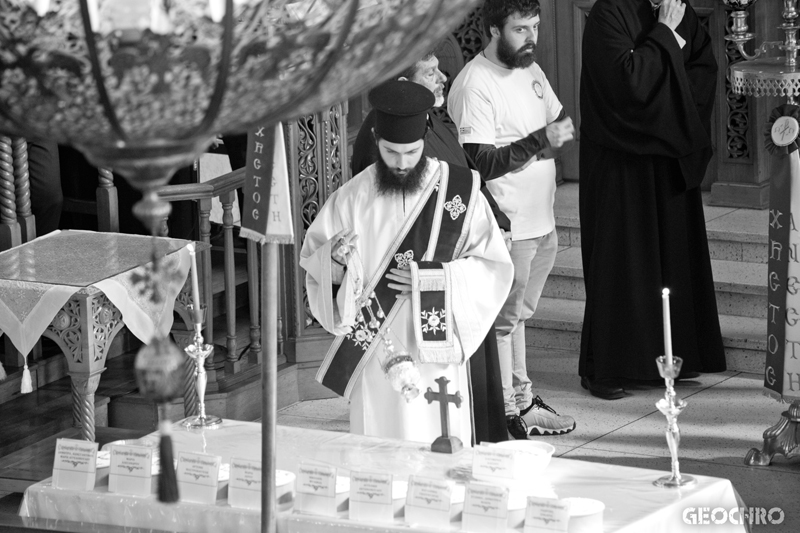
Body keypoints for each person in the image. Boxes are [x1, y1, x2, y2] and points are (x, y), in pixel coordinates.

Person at [300, 80, 513, 445]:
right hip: (378, 352)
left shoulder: (457, 193)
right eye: (391, 152)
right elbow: (316, 264)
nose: (401, 164)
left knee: (441, 436)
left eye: (411, 152)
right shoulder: (350, 199)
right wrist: (334, 263)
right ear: (376, 140)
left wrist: (430, 279)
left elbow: (493, 265)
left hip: (437, 345)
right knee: (379, 441)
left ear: (425, 139)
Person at [578, 0, 726, 400]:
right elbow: (625, 85)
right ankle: (607, 369)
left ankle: (677, 357)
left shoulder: (682, 10)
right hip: (620, 163)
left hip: (668, 154)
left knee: (674, 261)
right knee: (620, 263)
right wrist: (663, 35)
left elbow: (702, 72)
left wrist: (668, 112)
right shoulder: (609, 13)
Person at [448, 0, 576, 440]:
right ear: (493, 31)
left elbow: (556, 121)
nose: (532, 37)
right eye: (521, 29)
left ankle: (524, 399)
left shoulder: (531, 70)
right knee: (504, 320)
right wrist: (542, 140)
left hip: (542, 219)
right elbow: (479, 160)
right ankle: (507, 410)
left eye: (535, 26)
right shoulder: (475, 84)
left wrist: (547, 140)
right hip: (509, 224)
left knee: (520, 317)